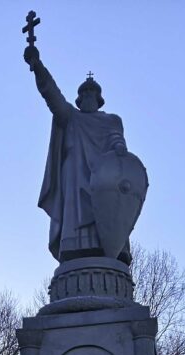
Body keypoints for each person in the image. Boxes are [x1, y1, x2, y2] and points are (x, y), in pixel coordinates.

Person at [23, 42, 143, 264]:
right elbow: (51, 94)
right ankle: (75, 249)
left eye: (92, 91)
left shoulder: (112, 120)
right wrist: (37, 65)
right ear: (79, 98)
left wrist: (119, 148)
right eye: (84, 92)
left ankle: (112, 249)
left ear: (99, 97)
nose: (88, 94)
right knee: (75, 219)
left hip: (104, 181)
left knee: (106, 213)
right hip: (76, 177)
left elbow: (116, 138)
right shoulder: (70, 117)